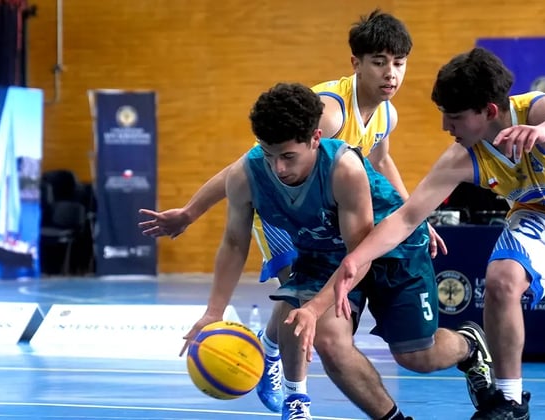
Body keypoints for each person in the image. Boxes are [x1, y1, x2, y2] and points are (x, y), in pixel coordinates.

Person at [138, 10, 445, 413]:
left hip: (332, 208)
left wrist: (411, 213)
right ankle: (291, 388)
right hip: (287, 211)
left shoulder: (384, 114)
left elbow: (382, 161)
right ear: (356, 64)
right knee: (297, 288)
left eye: (398, 64)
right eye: (379, 62)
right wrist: (192, 212)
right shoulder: (329, 117)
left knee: (314, 298)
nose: (391, 74)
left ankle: (269, 350)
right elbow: (248, 166)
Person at [330, 47, 545, 420]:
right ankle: (509, 400)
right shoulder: (463, 156)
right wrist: (355, 259)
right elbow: (408, 217)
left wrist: (544, 130)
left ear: (489, 112)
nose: (446, 127)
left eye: (454, 117)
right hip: (539, 218)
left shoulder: (534, 113)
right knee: (501, 277)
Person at [180, 82, 494, 420]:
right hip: (324, 252)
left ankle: (469, 346)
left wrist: (315, 308)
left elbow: (358, 255)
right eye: (269, 155)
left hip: (390, 247)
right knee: (328, 340)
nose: (278, 169)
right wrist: (214, 311)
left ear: (316, 139)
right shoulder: (246, 175)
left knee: (416, 357)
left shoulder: (344, 169)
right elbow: (233, 242)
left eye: (288, 156)